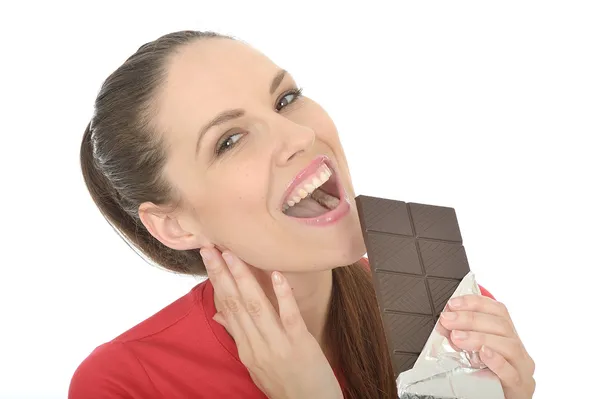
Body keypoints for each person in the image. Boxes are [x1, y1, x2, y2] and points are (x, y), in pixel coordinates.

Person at [69, 30, 535, 399]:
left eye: (285, 100)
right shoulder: (125, 383)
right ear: (175, 223)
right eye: (229, 140)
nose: (296, 136)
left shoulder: (445, 311)